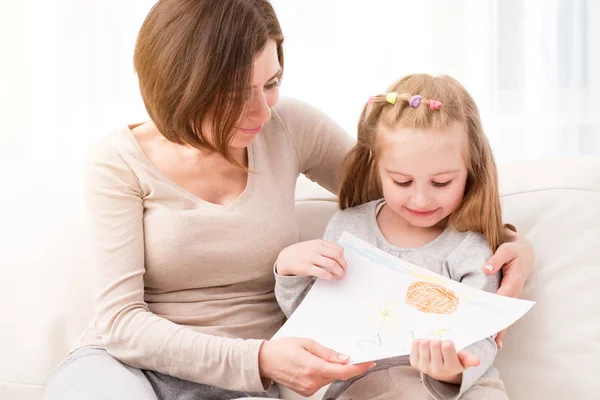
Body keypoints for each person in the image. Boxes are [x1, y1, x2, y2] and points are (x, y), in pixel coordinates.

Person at [42, 1, 534, 399]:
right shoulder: (117, 163)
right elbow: (122, 324)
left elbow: (406, 189)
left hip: (252, 385)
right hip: (128, 367)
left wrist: (508, 239)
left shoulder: (289, 128)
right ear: (182, 87)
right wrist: (258, 359)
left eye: (272, 83)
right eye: (236, 92)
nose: (261, 109)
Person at [275, 74, 512, 400]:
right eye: (402, 182)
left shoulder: (471, 247)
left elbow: (483, 338)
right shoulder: (349, 227)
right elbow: (316, 320)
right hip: (368, 381)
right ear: (376, 167)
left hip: (458, 388)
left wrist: (454, 371)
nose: (421, 200)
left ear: (471, 169)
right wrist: (289, 271)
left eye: (441, 183)